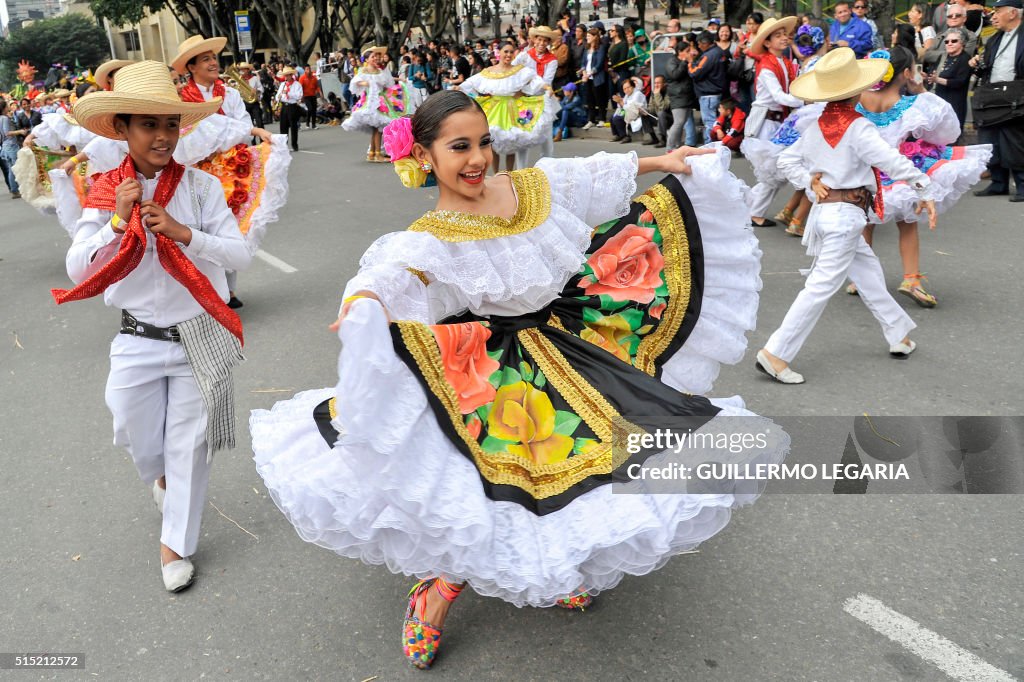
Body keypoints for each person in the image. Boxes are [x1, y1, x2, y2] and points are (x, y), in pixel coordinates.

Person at [249, 90, 786, 669]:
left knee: (588, 463)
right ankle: (438, 590)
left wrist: (664, 162)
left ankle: (552, 570)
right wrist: (363, 302)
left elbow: (588, 173)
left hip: (560, 338)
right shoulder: (428, 236)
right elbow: (389, 275)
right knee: (478, 484)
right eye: (459, 147)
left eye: (483, 142)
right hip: (482, 361)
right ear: (426, 155)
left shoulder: (528, 188)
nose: (478, 158)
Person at [53, 60, 252, 592]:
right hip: (137, 337)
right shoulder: (103, 190)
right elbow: (78, 271)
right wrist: (118, 223)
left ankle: (174, 546)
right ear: (121, 128)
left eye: (170, 124)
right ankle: (160, 478)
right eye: (148, 124)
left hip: (196, 336)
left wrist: (188, 234)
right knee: (133, 431)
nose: (162, 136)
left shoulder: (204, 189)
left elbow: (242, 253)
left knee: (190, 443)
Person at [758, 48, 937, 385]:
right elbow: (890, 161)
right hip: (844, 217)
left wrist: (809, 183)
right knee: (819, 287)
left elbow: (786, 161)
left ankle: (898, 334)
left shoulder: (816, 126)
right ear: (856, 89)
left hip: (830, 216)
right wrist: (924, 187)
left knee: (868, 274)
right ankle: (775, 353)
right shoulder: (858, 128)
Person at [852, 46, 990, 307]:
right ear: (906, 73)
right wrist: (922, 91)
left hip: (864, 170)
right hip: (902, 170)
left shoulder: (856, 100)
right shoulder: (913, 105)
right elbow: (947, 132)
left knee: (865, 222)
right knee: (907, 223)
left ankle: (862, 279)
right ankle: (911, 278)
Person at [457, 41, 559, 172]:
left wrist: (546, 87)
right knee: (493, 141)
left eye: (511, 52)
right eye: (506, 51)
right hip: (494, 107)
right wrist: (458, 87)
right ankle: (496, 174)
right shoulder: (489, 71)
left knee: (511, 140)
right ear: (499, 52)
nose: (508, 55)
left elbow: (535, 79)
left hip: (513, 107)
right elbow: (472, 82)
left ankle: (510, 174)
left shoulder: (519, 70)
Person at [744, 17, 805, 227]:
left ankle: (748, 209)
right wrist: (805, 100)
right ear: (767, 43)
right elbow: (779, 97)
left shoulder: (785, 63)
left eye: (784, 35)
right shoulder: (768, 66)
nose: (784, 38)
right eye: (777, 36)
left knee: (774, 174)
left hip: (779, 122)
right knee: (772, 173)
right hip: (766, 122)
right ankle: (753, 212)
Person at [970, 0, 1024, 202]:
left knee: (1014, 141)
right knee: (990, 140)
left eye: (998, 11)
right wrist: (976, 62)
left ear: (1012, 13)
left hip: (1016, 96)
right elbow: (986, 65)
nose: (993, 15)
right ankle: (998, 183)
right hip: (992, 96)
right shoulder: (994, 39)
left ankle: (1022, 185)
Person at [512, 26, 562, 167]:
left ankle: (546, 170)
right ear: (534, 40)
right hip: (524, 101)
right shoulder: (524, 56)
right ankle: (521, 171)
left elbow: (546, 82)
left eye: (545, 40)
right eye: (539, 39)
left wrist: (528, 88)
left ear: (548, 42)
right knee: (523, 136)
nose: (541, 43)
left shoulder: (552, 60)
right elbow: (512, 70)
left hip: (543, 99)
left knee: (546, 138)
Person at [342, 46, 399, 162]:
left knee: (376, 128)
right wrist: (366, 83)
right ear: (366, 60)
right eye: (372, 57)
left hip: (381, 101)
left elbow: (387, 83)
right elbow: (355, 81)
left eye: (376, 56)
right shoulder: (364, 70)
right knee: (378, 128)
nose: (375, 58)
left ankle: (373, 153)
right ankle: (377, 154)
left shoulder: (379, 70)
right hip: (370, 102)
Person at [928, 27, 973, 129]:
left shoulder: (965, 59)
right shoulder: (943, 56)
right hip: (939, 103)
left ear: (962, 43)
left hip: (954, 104)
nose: (949, 43)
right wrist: (926, 76)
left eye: (954, 41)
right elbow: (932, 73)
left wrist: (938, 80)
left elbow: (959, 82)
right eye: (947, 41)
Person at [688, 31, 729, 144]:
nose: (699, 46)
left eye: (700, 43)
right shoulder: (720, 52)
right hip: (717, 92)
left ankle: (710, 146)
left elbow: (694, 73)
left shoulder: (708, 56)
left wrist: (690, 62)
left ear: (706, 43)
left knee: (710, 122)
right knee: (717, 121)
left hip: (708, 94)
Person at [923, 4, 979, 72]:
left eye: (957, 15)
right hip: (934, 75)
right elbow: (927, 55)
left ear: (964, 18)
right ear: (947, 20)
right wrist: (951, 54)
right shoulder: (940, 35)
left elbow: (962, 60)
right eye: (950, 16)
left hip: (954, 76)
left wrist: (937, 54)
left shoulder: (971, 36)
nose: (953, 17)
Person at [665, 39, 699, 149]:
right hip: (678, 96)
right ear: (680, 52)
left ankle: (676, 146)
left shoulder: (688, 61)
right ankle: (670, 148)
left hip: (687, 95)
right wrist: (685, 62)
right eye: (687, 50)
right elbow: (675, 75)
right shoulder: (672, 61)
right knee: (678, 122)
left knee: (682, 122)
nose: (690, 53)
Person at [579, 27, 610, 129]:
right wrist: (584, 72)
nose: (587, 37)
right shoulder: (587, 48)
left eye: (589, 36)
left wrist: (589, 74)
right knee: (589, 99)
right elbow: (583, 62)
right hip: (587, 77)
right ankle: (591, 119)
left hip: (596, 77)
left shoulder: (600, 48)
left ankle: (601, 118)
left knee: (599, 98)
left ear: (595, 37)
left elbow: (599, 64)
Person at [609, 76, 652, 143]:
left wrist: (621, 102)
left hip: (637, 115)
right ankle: (617, 135)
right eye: (624, 89)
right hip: (629, 113)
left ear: (633, 86)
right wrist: (619, 101)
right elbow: (622, 107)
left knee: (617, 118)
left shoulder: (637, 94)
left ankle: (625, 136)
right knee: (612, 117)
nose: (626, 90)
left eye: (628, 87)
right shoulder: (627, 95)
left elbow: (631, 108)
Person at [276, 67, 304, 152]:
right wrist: (278, 97)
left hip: (292, 106)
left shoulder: (297, 84)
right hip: (284, 106)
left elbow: (299, 96)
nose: (286, 77)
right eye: (285, 76)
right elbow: (278, 95)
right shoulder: (282, 84)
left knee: (293, 127)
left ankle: (294, 144)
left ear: (291, 75)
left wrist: (288, 93)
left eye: (287, 75)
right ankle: (284, 145)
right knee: (283, 127)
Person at [0, 99, 23, 198]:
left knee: (11, 169)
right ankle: (15, 189)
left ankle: (14, 189)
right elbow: (7, 133)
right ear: (4, 108)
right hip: (11, 145)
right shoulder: (4, 119)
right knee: (15, 168)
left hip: (6, 146)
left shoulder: (3, 118)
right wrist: (20, 132)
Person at [238, 63, 265, 130]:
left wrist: (256, 91)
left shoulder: (255, 78)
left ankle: (263, 139)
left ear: (247, 70)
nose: (242, 71)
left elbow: (261, 89)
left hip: (254, 102)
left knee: (259, 122)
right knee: (249, 124)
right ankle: (252, 140)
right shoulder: (239, 80)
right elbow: (238, 92)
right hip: (245, 103)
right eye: (241, 70)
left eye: (243, 69)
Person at [648, 74, 671, 147]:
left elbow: (664, 107)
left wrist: (657, 95)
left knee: (661, 113)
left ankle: (663, 139)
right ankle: (654, 138)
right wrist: (645, 111)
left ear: (664, 84)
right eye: (655, 83)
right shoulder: (654, 92)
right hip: (658, 116)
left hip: (669, 117)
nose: (656, 85)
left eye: (658, 83)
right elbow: (651, 107)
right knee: (645, 114)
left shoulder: (668, 92)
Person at [299, 63, 322, 129]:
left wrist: (320, 92)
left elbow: (317, 86)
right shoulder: (302, 78)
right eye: (307, 69)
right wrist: (301, 96)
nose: (308, 70)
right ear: (304, 70)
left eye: (309, 68)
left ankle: (314, 124)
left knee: (314, 110)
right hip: (306, 96)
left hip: (313, 95)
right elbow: (300, 88)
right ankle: (307, 121)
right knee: (310, 109)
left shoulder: (314, 77)